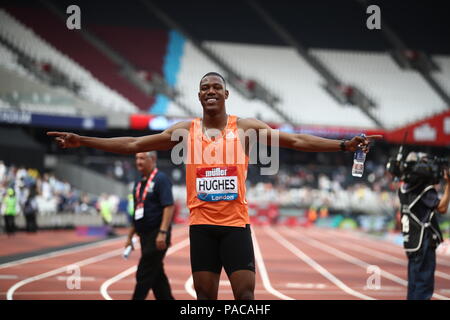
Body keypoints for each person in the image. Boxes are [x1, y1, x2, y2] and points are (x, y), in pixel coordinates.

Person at [47, 72, 381, 300]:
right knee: (205, 298)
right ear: (198, 95)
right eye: (204, 87)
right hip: (202, 226)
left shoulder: (246, 128)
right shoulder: (185, 131)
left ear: (226, 94)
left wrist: (342, 146)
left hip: (235, 225)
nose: (210, 91)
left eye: (215, 87)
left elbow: (295, 140)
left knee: (245, 296)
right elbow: (134, 144)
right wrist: (83, 140)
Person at [397, 152, 450, 300]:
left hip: (411, 241)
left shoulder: (403, 189)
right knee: (423, 285)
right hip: (423, 242)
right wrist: (449, 185)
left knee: (414, 283)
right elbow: (442, 208)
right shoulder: (424, 191)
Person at [126, 151, 175, 300]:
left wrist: (162, 232)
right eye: (136, 158)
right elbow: (137, 212)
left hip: (157, 234)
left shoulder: (161, 179)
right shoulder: (139, 183)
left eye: (142, 158)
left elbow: (168, 206)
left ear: (152, 159)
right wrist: (129, 236)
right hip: (144, 235)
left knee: (144, 272)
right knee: (157, 276)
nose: (138, 162)